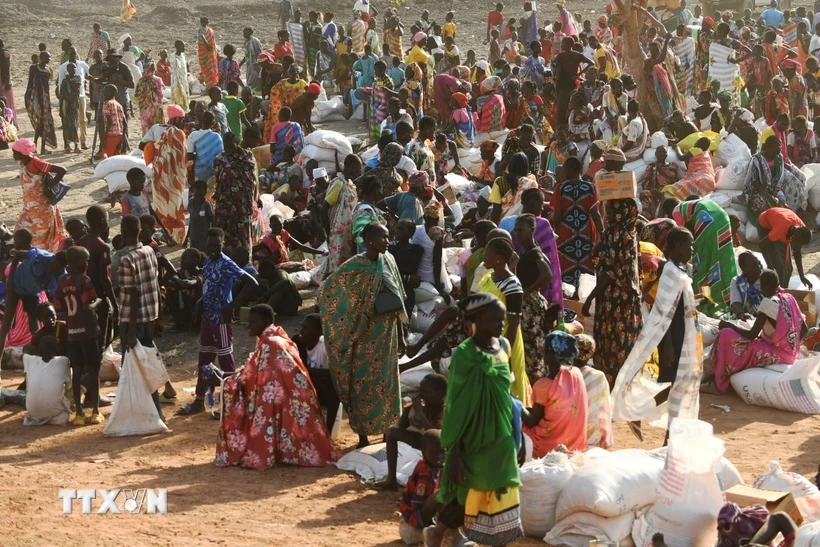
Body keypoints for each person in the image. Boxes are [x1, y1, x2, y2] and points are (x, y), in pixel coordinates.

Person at [425, 293, 523, 547]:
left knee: (500, 484)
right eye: (496, 319)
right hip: (472, 437)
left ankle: (495, 539)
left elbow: (507, 393)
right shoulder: (465, 355)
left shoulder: (504, 347)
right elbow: (456, 404)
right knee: (470, 489)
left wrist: (518, 432)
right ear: (478, 319)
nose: (502, 324)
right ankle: (440, 530)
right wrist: (454, 450)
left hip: (501, 434)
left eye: (503, 320)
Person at [215, 304, 338, 468]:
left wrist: (230, 381)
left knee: (256, 397)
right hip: (296, 397)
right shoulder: (277, 337)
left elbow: (257, 377)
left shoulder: (271, 343)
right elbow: (261, 371)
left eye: (254, 323)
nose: (249, 326)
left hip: (289, 398)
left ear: (266, 321)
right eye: (249, 322)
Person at [319, 222, 404, 448]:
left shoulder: (390, 262)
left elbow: (399, 300)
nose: (387, 242)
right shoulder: (355, 266)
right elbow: (328, 291)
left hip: (387, 335)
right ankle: (363, 437)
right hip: (364, 336)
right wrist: (351, 316)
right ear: (368, 240)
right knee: (362, 385)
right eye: (382, 238)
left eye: (388, 237)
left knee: (388, 385)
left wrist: (402, 336)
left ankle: (388, 432)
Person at [612, 227, 702, 441]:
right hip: (674, 335)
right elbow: (664, 310)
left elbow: (679, 304)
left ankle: (665, 434)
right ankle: (655, 427)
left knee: (679, 385)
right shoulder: (670, 271)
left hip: (684, 333)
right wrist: (668, 344)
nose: (692, 249)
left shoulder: (680, 270)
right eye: (689, 244)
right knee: (678, 385)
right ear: (678, 246)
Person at [178, 228, 258, 415]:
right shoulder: (207, 261)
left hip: (221, 320)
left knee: (226, 362)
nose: (213, 248)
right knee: (204, 360)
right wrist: (199, 303)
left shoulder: (227, 264)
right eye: (210, 245)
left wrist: (232, 306)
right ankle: (199, 400)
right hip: (208, 318)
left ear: (223, 244)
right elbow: (209, 287)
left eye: (216, 245)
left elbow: (252, 283)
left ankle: (231, 404)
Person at [710, 269, 807, 393]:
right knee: (747, 339)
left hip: (777, 354)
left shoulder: (767, 303)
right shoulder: (789, 298)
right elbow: (804, 329)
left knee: (726, 334)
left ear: (763, 286)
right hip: (791, 354)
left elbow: (752, 335)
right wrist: (791, 344)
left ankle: (721, 380)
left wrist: (729, 325)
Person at [583, 199, 643, 385]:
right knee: (624, 343)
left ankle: (610, 387)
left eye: (609, 211)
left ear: (621, 213)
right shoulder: (631, 232)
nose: (606, 215)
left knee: (610, 343)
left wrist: (589, 299)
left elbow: (609, 273)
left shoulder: (616, 234)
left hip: (613, 299)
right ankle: (622, 387)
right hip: (628, 300)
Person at [117, 215, 166, 421]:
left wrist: (129, 333)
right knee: (147, 366)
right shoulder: (149, 252)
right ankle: (155, 412)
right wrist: (159, 316)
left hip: (132, 321)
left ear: (122, 232)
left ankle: (146, 413)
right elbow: (155, 284)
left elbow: (133, 297)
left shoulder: (126, 260)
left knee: (133, 371)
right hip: (149, 317)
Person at [53, 246, 103, 426]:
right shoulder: (85, 280)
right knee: (94, 369)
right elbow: (87, 305)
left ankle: (79, 414)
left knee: (78, 370)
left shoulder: (61, 282)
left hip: (72, 332)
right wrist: (100, 301)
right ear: (82, 263)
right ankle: (96, 411)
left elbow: (58, 307)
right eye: (87, 262)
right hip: (88, 330)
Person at [478, 235, 530, 405]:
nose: (484, 258)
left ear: (499, 259)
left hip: (505, 340)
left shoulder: (512, 285)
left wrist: (504, 353)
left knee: (507, 387)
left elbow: (514, 322)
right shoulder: (489, 278)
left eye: (487, 255)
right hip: (486, 339)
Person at [376, 373, 447, 491]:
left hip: (439, 447)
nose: (421, 394)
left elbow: (436, 436)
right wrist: (407, 410)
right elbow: (402, 427)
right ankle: (391, 479)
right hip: (424, 441)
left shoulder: (444, 409)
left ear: (438, 394)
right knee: (391, 432)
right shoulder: (425, 404)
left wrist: (420, 412)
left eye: (425, 391)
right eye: (420, 390)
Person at [522, 331, 587, 457]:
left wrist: (515, 403)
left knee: (512, 420)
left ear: (549, 354)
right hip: (576, 445)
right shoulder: (577, 374)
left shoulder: (543, 385)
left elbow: (531, 421)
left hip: (549, 447)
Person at [514, 214, 561, 382]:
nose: (517, 233)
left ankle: (537, 382)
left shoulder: (534, 252)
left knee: (533, 345)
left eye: (521, 230)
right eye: (516, 230)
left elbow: (546, 274)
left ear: (532, 230)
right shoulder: (528, 251)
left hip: (530, 305)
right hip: (530, 303)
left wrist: (526, 292)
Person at [673, 198, 738, 315]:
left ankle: (701, 302)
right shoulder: (697, 205)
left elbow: (683, 235)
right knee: (723, 258)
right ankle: (730, 298)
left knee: (701, 264)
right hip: (723, 219)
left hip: (707, 222)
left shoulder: (676, 212)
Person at [550, 156, 603, 289]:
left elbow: (556, 215)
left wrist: (555, 229)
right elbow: (595, 215)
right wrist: (603, 235)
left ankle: (567, 293)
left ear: (571, 169)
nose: (563, 172)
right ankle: (581, 291)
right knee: (585, 263)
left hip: (565, 234)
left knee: (564, 263)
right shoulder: (590, 187)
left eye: (565, 169)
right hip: (585, 233)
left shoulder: (561, 188)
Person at [9, 139, 67, 252]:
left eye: (15, 152)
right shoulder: (23, 163)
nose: (13, 155)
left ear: (22, 153)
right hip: (29, 207)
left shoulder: (36, 163)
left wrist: (50, 186)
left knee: (40, 236)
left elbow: (62, 170)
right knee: (22, 232)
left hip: (42, 208)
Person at [76, 206, 117, 356]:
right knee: (101, 335)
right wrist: (114, 303)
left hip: (82, 295)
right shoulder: (102, 247)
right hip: (98, 295)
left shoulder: (80, 241)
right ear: (102, 221)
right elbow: (104, 279)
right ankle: (96, 368)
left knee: (86, 334)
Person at [316, 154, 362, 283]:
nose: (359, 172)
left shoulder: (350, 184)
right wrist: (328, 232)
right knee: (336, 270)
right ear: (351, 166)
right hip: (338, 233)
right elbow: (324, 209)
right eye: (358, 168)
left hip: (348, 233)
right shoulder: (338, 184)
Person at [148, 104, 187, 245]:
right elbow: (180, 159)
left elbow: (150, 148)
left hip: (160, 176)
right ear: (175, 119)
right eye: (181, 119)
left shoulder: (162, 133)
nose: (183, 122)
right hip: (173, 177)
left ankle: (164, 233)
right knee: (175, 205)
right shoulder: (178, 134)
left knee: (163, 206)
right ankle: (174, 235)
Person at [397, 430, 445, 545]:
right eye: (433, 453)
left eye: (442, 452)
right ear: (424, 452)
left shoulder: (433, 465)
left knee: (443, 493)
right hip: (415, 515)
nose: (439, 456)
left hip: (422, 511)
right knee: (440, 495)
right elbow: (415, 505)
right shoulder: (424, 472)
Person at [212, 132, 257, 254]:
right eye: (226, 147)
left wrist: (255, 199)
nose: (228, 150)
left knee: (242, 235)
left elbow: (253, 180)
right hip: (225, 204)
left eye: (231, 146)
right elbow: (217, 181)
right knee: (226, 235)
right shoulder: (219, 160)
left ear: (237, 143)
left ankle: (244, 261)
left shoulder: (248, 157)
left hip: (243, 204)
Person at [758, 207, 813, 289]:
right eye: (798, 244)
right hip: (765, 224)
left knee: (788, 269)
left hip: (779, 219)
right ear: (792, 238)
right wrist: (769, 264)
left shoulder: (802, 231)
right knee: (779, 268)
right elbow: (761, 245)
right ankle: (775, 293)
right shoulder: (780, 231)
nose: (798, 247)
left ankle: (784, 291)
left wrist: (802, 277)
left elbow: (797, 253)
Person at [746, 136, 786, 230]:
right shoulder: (757, 160)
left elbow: (779, 178)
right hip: (758, 191)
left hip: (773, 188)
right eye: (778, 145)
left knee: (782, 203)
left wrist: (777, 194)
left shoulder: (779, 158)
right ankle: (765, 226)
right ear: (770, 146)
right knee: (764, 207)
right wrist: (767, 195)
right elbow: (754, 181)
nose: (781, 147)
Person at [489, 152, 538, 223]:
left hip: (504, 225)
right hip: (524, 226)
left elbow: (496, 209)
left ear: (510, 166)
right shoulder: (532, 183)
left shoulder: (500, 181)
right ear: (527, 167)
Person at [56, 47, 89, 150]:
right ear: (68, 54)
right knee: (69, 120)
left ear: (76, 53)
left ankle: (83, 141)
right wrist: (62, 100)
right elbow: (61, 84)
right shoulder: (63, 67)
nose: (72, 55)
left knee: (82, 119)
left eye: (74, 53)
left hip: (81, 95)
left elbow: (87, 77)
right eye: (70, 53)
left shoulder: (83, 65)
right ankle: (69, 142)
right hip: (68, 98)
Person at [25, 51, 57, 154]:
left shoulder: (49, 69)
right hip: (36, 97)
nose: (48, 59)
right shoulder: (34, 68)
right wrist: (28, 96)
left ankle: (42, 147)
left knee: (45, 122)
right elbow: (30, 83)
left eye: (49, 58)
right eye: (47, 57)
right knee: (39, 121)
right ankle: (35, 146)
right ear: (41, 57)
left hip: (45, 99)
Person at [730, 252, 764, 318]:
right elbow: (736, 303)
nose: (759, 266)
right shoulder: (737, 282)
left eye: (759, 263)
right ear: (744, 269)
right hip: (749, 318)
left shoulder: (766, 277)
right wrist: (741, 315)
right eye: (754, 265)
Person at [58, 63, 82, 154]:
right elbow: (62, 95)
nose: (73, 69)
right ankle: (67, 145)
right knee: (65, 126)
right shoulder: (64, 81)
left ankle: (76, 145)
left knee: (74, 125)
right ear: (67, 70)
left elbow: (76, 88)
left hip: (74, 105)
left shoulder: (78, 78)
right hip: (65, 105)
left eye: (74, 68)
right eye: (71, 68)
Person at [134, 62, 164, 134]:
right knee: (157, 127)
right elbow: (161, 94)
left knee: (146, 127)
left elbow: (137, 94)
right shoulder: (158, 80)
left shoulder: (141, 80)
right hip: (156, 107)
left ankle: (147, 142)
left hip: (145, 107)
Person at [100, 84, 126, 158]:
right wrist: (122, 140)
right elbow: (125, 124)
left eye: (105, 92)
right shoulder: (119, 105)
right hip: (119, 135)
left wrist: (103, 138)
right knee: (115, 160)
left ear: (111, 93)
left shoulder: (106, 104)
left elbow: (109, 122)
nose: (104, 94)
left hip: (110, 135)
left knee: (106, 160)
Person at [198, 17, 219, 88]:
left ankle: (209, 87)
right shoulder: (210, 30)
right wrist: (211, 48)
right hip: (209, 52)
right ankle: (212, 85)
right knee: (210, 69)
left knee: (206, 70)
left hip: (206, 52)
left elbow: (203, 39)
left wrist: (208, 47)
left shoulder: (201, 30)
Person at [170, 40, 190, 108]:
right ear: (177, 46)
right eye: (182, 46)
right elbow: (174, 70)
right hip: (177, 80)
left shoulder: (183, 56)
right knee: (177, 95)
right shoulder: (173, 57)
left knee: (184, 95)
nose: (184, 47)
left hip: (184, 79)